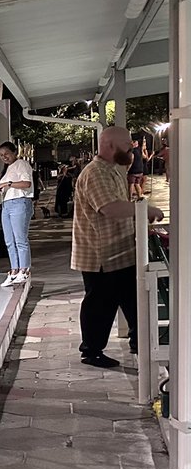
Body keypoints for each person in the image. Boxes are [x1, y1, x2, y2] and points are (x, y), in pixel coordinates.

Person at [71, 125, 163, 368]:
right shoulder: (96, 173)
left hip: (119, 252)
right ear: (110, 145)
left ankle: (138, 341)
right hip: (101, 255)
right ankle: (91, 351)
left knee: (132, 298)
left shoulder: (112, 170)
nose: (131, 148)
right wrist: (145, 210)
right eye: (127, 144)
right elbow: (110, 207)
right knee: (100, 304)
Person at [0, 141, 35, 288]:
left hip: (20, 202)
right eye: (1, 155)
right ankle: (14, 270)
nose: (4, 157)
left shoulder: (22, 164)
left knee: (20, 239)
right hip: (6, 204)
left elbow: (27, 184)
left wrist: (8, 184)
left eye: (6, 154)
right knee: (9, 240)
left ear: (14, 152)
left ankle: (24, 269)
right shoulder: (7, 169)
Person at [128, 135, 151, 200]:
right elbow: (145, 157)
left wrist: (127, 169)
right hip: (140, 170)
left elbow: (131, 161)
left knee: (131, 184)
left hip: (133, 170)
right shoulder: (140, 150)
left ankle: (130, 198)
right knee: (137, 183)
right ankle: (140, 196)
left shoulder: (132, 151)